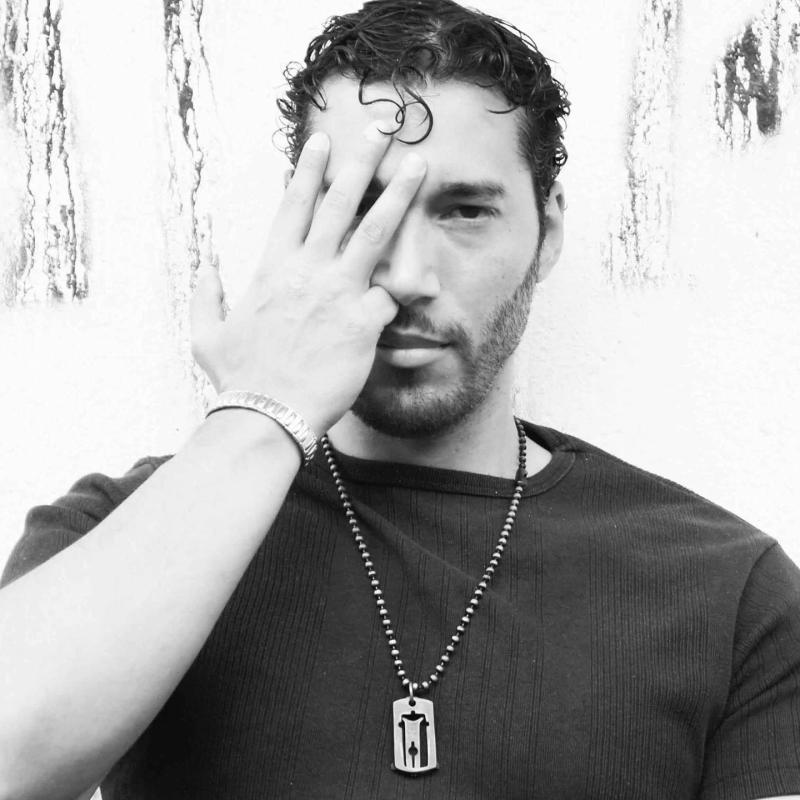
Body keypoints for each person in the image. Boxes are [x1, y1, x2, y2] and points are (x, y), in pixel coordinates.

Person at [1, 1, 799, 797]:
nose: (408, 275)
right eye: (360, 207)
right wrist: (261, 406)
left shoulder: (727, 590)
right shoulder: (118, 535)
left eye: (466, 211)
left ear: (548, 231)